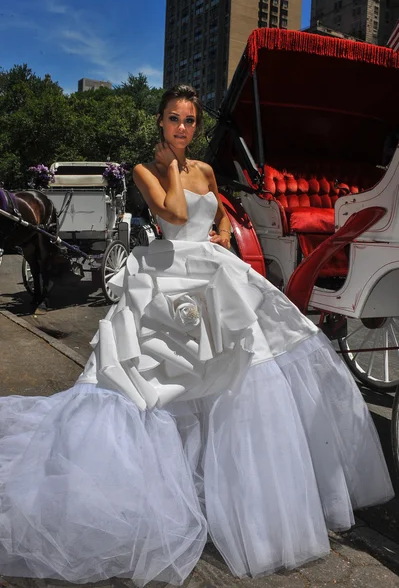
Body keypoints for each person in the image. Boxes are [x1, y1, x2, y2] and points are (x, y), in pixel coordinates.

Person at [0, 85, 394, 587]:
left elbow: (220, 216)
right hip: (167, 281)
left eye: (189, 120)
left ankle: (230, 490)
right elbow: (175, 216)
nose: (181, 128)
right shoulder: (145, 170)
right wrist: (169, 168)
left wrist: (224, 237)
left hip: (211, 276)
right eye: (173, 119)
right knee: (155, 383)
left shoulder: (206, 171)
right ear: (160, 123)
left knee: (242, 371)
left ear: (196, 127)